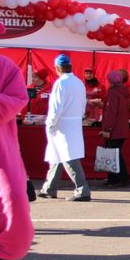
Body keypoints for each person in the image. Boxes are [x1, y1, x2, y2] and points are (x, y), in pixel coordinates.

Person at [0, 18, 34, 260]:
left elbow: (15, 103)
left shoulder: (5, 67)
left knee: (15, 203)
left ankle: (2, 255)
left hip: (0, 153)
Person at [37, 54, 91, 202]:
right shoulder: (79, 82)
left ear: (57, 68)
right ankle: (49, 188)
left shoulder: (61, 83)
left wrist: (50, 123)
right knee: (58, 155)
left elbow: (56, 107)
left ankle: (82, 189)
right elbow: (82, 105)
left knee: (68, 157)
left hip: (62, 124)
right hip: (73, 122)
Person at [100, 69, 130, 187]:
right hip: (122, 128)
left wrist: (107, 128)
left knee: (114, 154)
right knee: (115, 154)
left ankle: (121, 178)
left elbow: (111, 112)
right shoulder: (124, 92)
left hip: (114, 130)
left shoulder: (112, 93)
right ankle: (115, 179)